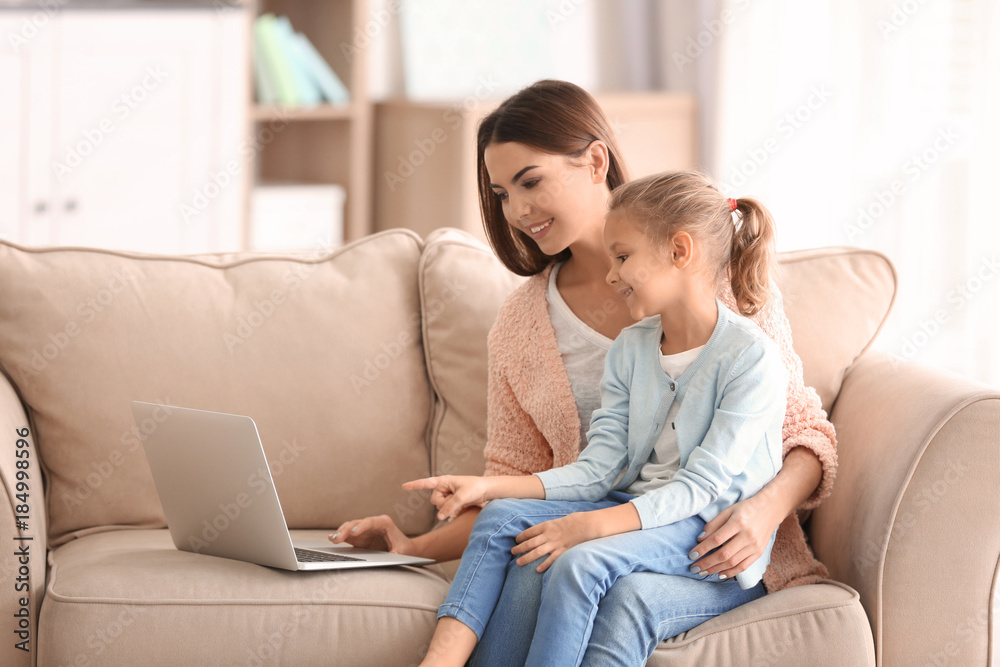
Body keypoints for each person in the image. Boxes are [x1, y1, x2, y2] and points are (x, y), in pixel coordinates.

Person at [329, 79, 837, 666]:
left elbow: (804, 430)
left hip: (713, 538)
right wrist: (414, 545)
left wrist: (763, 510)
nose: (516, 211)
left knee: (577, 570)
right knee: (532, 559)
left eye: (531, 181)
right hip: (598, 515)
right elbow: (523, 483)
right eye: (499, 194)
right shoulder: (523, 326)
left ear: (596, 161)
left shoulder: (720, 277)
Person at [405, 170, 789, 667]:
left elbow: (702, 487)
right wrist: (489, 489)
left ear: (679, 251)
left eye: (623, 257)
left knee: (578, 563)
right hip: (635, 505)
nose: (611, 276)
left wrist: (590, 527)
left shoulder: (750, 358)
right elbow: (600, 469)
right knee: (503, 520)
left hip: (703, 527)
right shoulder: (631, 349)